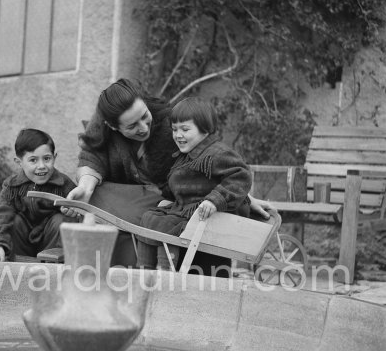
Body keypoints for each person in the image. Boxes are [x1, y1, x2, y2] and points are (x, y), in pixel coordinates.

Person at [64, 79, 271, 267]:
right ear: (112, 126)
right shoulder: (102, 127)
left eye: (145, 116)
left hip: (175, 203)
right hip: (134, 201)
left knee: (155, 220)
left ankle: (161, 268)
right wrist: (85, 186)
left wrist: (243, 196)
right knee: (98, 200)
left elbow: (209, 165)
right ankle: (117, 267)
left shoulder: (170, 126)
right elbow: (92, 155)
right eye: (132, 126)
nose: (144, 127)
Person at [136, 97, 252, 273]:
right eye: (174, 129)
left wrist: (215, 200)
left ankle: (165, 270)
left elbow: (241, 176)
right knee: (150, 217)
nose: (178, 135)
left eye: (185, 129)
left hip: (209, 216)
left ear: (204, 130)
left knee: (166, 224)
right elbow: (182, 185)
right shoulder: (186, 156)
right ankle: (145, 269)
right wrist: (170, 198)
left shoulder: (216, 154)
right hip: (188, 211)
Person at [0, 128, 76, 261]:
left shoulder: (63, 184)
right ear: (19, 162)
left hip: (51, 245)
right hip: (22, 245)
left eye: (47, 158)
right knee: (13, 221)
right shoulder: (13, 186)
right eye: (33, 160)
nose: (41, 166)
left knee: (62, 221)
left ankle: (54, 263)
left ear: (54, 157)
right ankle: (13, 261)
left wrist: (71, 211)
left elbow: (81, 210)